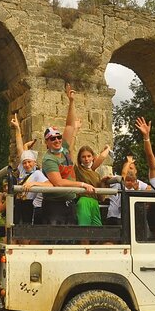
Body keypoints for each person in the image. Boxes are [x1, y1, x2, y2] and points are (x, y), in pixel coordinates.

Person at [41, 84, 95, 225]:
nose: (57, 140)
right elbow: (58, 183)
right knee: (56, 241)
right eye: (53, 138)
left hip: (69, 202)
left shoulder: (64, 149)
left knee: (70, 240)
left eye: (58, 137)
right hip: (54, 205)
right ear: (46, 142)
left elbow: (70, 126)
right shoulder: (49, 159)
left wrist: (71, 101)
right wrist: (82, 184)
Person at [74, 144, 111, 226]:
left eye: (88, 156)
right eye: (83, 157)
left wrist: (102, 182)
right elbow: (101, 158)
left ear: (92, 157)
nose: (86, 159)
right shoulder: (78, 170)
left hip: (95, 202)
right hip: (84, 200)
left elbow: (101, 197)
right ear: (79, 159)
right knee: (84, 231)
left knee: (98, 231)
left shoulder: (96, 174)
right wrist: (108, 149)